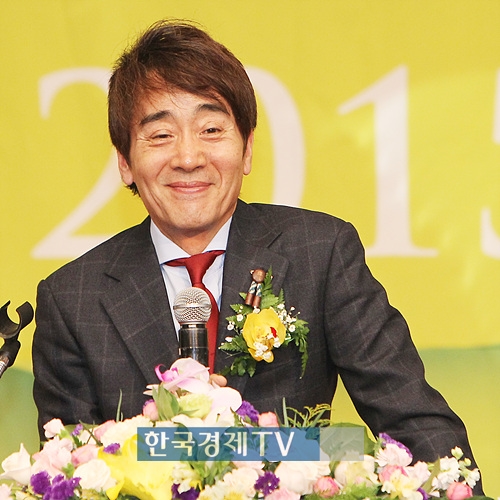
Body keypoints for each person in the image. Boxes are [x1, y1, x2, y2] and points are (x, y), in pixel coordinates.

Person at [32, 19, 482, 486]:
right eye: (161, 135)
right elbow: (70, 474)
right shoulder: (73, 300)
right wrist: (163, 447)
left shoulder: (319, 254)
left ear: (247, 149)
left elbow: (414, 422)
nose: (188, 157)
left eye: (211, 129)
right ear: (125, 161)